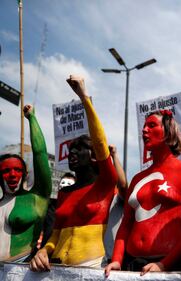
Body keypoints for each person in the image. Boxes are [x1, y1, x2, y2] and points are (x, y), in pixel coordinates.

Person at [29, 75, 117, 270]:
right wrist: (44, 251)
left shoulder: (105, 183)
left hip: (92, 267)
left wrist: (83, 97)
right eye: (70, 150)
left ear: (94, 156)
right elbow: (56, 235)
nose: (72, 153)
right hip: (57, 268)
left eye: (79, 148)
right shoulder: (65, 192)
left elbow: (101, 143)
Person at [104, 109, 181, 276]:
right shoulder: (137, 178)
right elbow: (125, 225)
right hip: (131, 264)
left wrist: (164, 264)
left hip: (173, 266)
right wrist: (117, 260)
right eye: (144, 126)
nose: (144, 130)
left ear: (168, 131)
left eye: (152, 125)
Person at [0, 104, 52, 262]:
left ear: (25, 174)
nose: (13, 175)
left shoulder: (36, 198)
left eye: (17, 170)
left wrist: (32, 118)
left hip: (22, 269)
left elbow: (40, 153)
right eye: (6, 171)